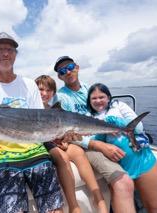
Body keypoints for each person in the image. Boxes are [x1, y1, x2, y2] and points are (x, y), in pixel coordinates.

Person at [0, 32, 64, 213]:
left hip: (36, 153)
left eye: (9, 49)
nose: (5, 54)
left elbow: (41, 122)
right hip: (3, 159)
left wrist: (59, 134)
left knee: (55, 210)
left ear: (15, 54)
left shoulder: (29, 84)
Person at [54, 56, 136, 213]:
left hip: (105, 137)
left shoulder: (89, 89)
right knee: (123, 182)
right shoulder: (61, 98)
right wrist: (99, 145)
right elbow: (69, 133)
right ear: (59, 76)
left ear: (77, 67)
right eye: (63, 71)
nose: (68, 72)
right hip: (86, 145)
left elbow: (104, 112)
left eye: (70, 67)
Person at [87, 83, 157, 213]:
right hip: (120, 168)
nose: (98, 101)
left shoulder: (119, 106)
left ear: (109, 97)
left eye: (102, 97)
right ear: (89, 101)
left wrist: (113, 124)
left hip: (142, 161)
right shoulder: (89, 119)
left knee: (154, 207)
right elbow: (94, 142)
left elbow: (138, 127)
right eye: (94, 98)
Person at [35, 75, 108, 213]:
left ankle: (98, 198)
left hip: (56, 141)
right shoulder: (31, 109)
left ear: (54, 93)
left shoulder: (55, 109)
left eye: (49, 90)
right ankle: (74, 206)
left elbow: (62, 132)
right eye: (40, 89)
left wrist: (64, 141)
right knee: (63, 158)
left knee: (78, 152)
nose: (44, 93)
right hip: (42, 144)